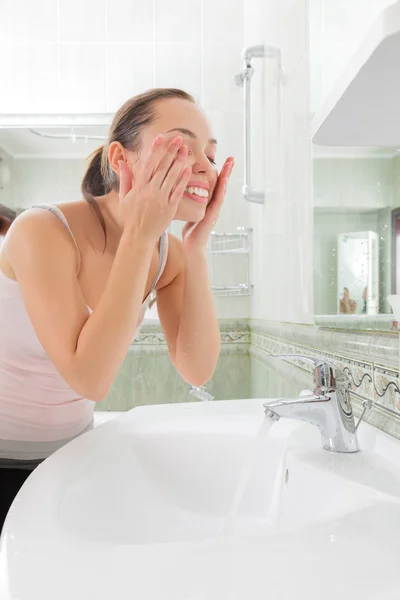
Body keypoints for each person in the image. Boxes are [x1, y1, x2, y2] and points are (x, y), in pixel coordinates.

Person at [0, 88, 235, 531]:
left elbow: (197, 368)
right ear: (121, 159)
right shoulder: (41, 231)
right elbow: (90, 377)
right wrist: (140, 237)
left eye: (211, 152)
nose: (205, 165)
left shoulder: (169, 254)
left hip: (70, 455)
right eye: (184, 147)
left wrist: (197, 249)